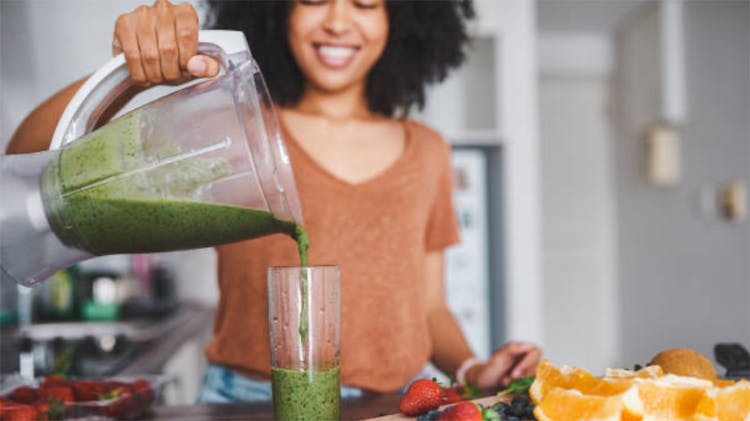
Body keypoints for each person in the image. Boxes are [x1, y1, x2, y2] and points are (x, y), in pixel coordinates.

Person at [7, 0, 541, 402]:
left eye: (364, 3)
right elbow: (26, 157)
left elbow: (429, 305)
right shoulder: (230, 123)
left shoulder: (427, 150)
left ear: (400, 19)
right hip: (245, 402)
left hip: (397, 403)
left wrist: (472, 369)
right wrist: (132, 73)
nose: (337, 21)